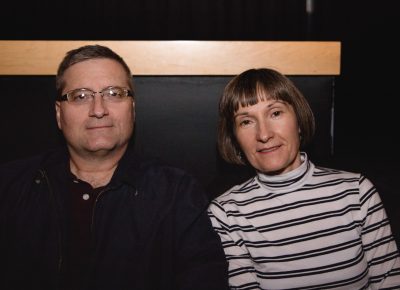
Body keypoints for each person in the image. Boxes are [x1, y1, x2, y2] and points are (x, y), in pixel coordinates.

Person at [0, 44, 228, 290]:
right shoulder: (10, 186)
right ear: (58, 113)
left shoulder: (176, 193)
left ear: (132, 108)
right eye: (81, 96)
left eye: (114, 93)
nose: (98, 110)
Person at [208, 68, 400, 289]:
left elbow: (390, 282)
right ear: (235, 139)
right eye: (246, 122)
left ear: (298, 122)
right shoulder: (226, 214)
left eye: (275, 113)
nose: (264, 134)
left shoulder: (356, 192)